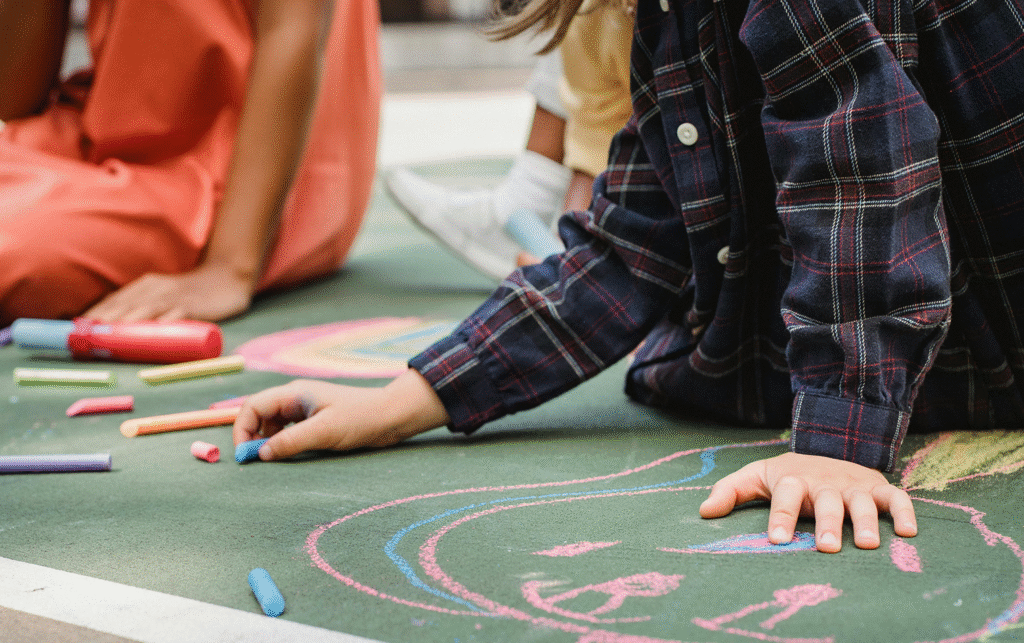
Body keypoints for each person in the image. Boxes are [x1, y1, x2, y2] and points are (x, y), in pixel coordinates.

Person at [234, 0, 1024, 556]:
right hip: (941, 350)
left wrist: (840, 441)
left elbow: (859, 165)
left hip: (989, 350)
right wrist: (411, 396)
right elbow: (633, 239)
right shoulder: (673, 19)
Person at [0, 0, 381, 326]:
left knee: (11, 249)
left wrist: (229, 269)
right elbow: (17, 96)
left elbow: (295, 29)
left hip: (250, 168)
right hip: (103, 127)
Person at [383, 0, 633, 279]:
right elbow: (596, 133)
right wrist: (570, 254)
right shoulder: (590, 14)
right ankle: (529, 202)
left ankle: (531, 201)